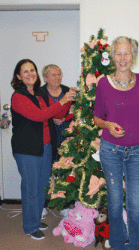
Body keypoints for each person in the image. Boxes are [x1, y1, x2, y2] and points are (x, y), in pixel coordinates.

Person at [11, 59, 76, 240]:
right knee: (31, 188)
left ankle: (36, 218)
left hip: (45, 147)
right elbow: (39, 116)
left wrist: (67, 101)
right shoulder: (18, 97)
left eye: (32, 70)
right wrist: (62, 100)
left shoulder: (39, 96)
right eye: (25, 71)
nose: (30, 74)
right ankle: (30, 226)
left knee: (42, 187)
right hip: (27, 150)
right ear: (18, 76)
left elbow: (55, 115)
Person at [93, 36, 139, 250]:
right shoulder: (104, 84)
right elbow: (97, 117)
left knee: (134, 204)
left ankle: (135, 246)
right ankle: (117, 244)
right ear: (112, 57)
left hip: (137, 151)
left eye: (127, 53)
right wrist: (107, 125)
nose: (123, 58)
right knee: (115, 204)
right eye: (119, 53)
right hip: (111, 150)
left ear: (133, 56)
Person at [39, 64, 73, 219]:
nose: (57, 77)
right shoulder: (39, 93)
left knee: (65, 170)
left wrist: (66, 117)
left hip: (66, 137)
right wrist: (52, 118)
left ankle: (65, 204)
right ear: (45, 78)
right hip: (48, 137)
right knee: (46, 171)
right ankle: (43, 205)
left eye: (59, 74)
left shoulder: (68, 91)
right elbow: (38, 115)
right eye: (53, 75)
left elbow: (76, 110)